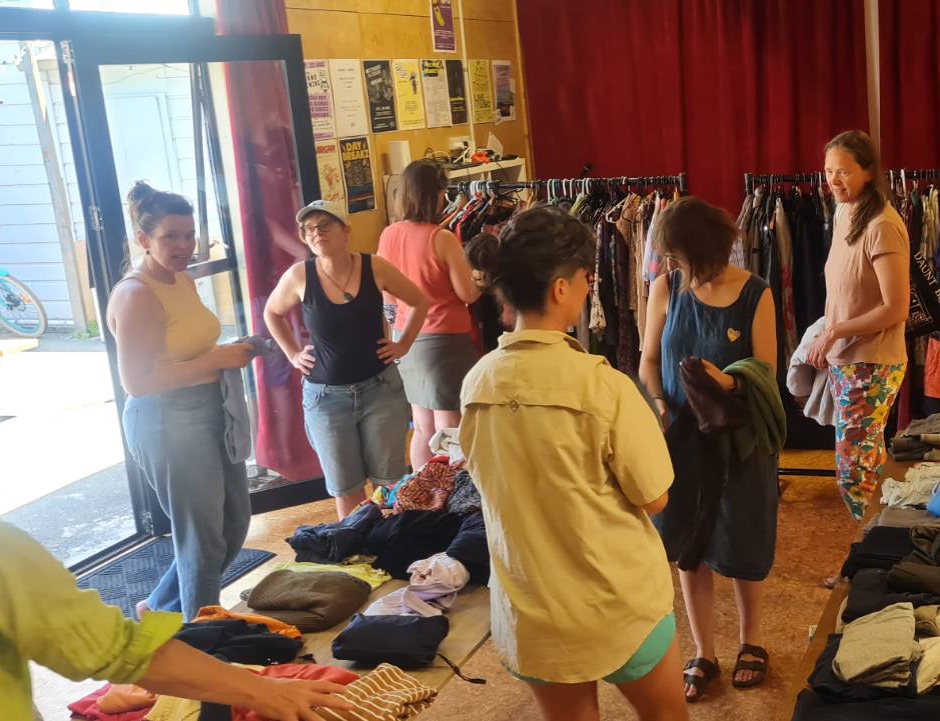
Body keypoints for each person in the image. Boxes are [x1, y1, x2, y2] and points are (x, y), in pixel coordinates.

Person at [0, 335, 353, 720]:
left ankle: (173, 614)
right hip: (170, 423)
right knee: (202, 541)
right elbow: (121, 652)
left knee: (217, 535)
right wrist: (264, 691)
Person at [459, 207, 687, 721]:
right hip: (614, 598)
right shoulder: (602, 384)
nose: (590, 289)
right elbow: (653, 497)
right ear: (561, 288)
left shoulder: (477, 382)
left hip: (531, 604)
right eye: (587, 278)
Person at [639, 197, 779, 701]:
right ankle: (704, 651)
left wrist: (731, 380)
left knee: (743, 537)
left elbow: (766, 373)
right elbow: (648, 360)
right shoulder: (666, 288)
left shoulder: (755, 294)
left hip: (740, 442)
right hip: (681, 440)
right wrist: (657, 400)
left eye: (678, 256)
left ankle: (752, 641)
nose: (673, 265)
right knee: (687, 543)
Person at [107, 182, 254, 620]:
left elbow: (185, 347)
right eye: (171, 236)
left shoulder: (182, 279)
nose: (184, 246)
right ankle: (205, 646)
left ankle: (158, 609)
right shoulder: (136, 295)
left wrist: (228, 353)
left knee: (232, 525)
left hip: (211, 408)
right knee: (203, 540)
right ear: (143, 240)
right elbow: (137, 381)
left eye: (189, 235)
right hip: (166, 422)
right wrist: (219, 359)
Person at [263, 200, 429, 519]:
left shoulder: (374, 266)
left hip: (381, 390)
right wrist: (293, 353)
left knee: (388, 483)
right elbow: (272, 312)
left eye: (325, 226)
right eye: (309, 229)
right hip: (326, 398)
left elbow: (419, 301)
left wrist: (403, 344)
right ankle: (356, 554)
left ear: (345, 232)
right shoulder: (300, 275)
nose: (316, 233)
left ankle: (388, 549)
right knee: (346, 486)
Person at [806, 130, 911, 521]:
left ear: (868, 172)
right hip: (847, 359)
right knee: (860, 458)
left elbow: (895, 307)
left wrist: (835, 331)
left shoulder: (882, 225)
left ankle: (866, 549)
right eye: (829, 171)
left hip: (872, 360)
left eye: (844, 172)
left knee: (855, 465)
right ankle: (873, 547)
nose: (834, 180)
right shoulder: (844, 213)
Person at [377, 160, 482, 469]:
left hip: (405, 339)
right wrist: (481, 281)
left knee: (422, 427)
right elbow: (467, 294)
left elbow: (387, 293)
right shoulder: (441, 238)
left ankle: (424, 495)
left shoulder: (389, 234)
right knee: (451, 426)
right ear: (434, 194)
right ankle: (453, 498)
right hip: (443, 341)